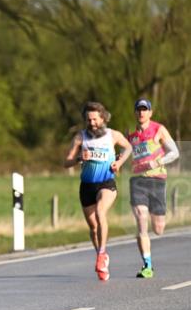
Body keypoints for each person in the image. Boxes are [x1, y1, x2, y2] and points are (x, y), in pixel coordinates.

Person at [64, 101, 132, 281]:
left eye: (95, 119)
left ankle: (101, 255)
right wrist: (79, 158)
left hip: (106, 182)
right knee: (93, 228)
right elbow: (66, 162)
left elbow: (128, 147)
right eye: (88, 119)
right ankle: (101, 255)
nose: (92, 123)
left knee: (101, 211)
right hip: (87, 186)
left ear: (103, 118)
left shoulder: (112, 135)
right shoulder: (80, 137)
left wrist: (119, 162)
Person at [127, 98, 180, 278]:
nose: (141, 113)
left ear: (150, 112)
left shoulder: (159, 129)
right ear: (135, 113)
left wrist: (157, 162)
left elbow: (175, 152)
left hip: (157, 180)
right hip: (138, 181)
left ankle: (153, 220)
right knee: (141, 218)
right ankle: (147, 265)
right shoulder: (131, 134)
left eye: (145, 109)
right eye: (138, 110)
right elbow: (125, 153)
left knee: (158, 229)